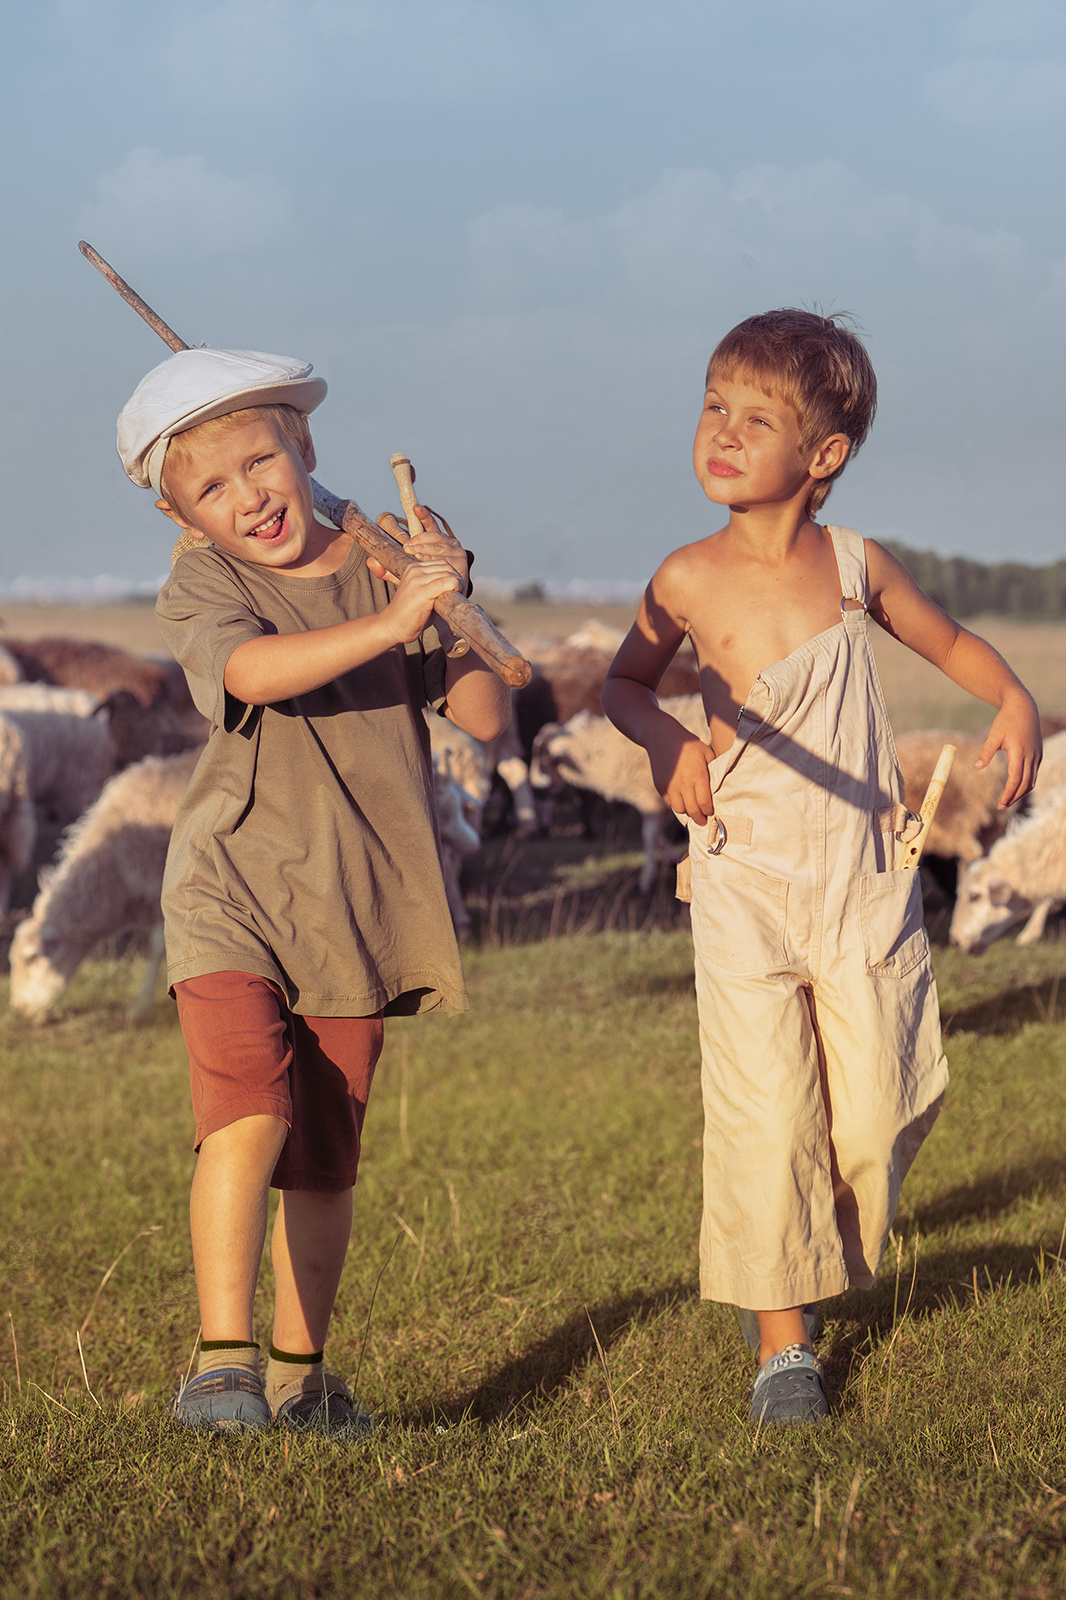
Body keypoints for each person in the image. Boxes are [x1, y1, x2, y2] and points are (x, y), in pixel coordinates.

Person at [601, 310, 1041, 1425]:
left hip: (858, 879)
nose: (722, 432)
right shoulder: (683, 578)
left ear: (824, 455)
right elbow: (621, 686)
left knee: (876, 1102)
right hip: (744, 875)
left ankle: (816, 1252)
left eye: (756, 418)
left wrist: (1015, 697)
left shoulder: (855, 569)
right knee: (766, 1110)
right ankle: (781, 1347)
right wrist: (667, 744)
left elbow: (948, 643)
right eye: (713, 406)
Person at [116, 346, 510, 1435]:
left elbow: (484, 717)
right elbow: (249, 673)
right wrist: (389, 624)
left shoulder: (384, 562)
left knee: (326, 1156)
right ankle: (221, 1364)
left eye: (261, 461)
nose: (247, 495)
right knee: (250, 1110)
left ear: (307, 449)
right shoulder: (208, 583)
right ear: (178, 514)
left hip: (359, 901)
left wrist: (449, 597)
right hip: (234, 883)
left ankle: (300, 1375)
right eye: (212, 486)